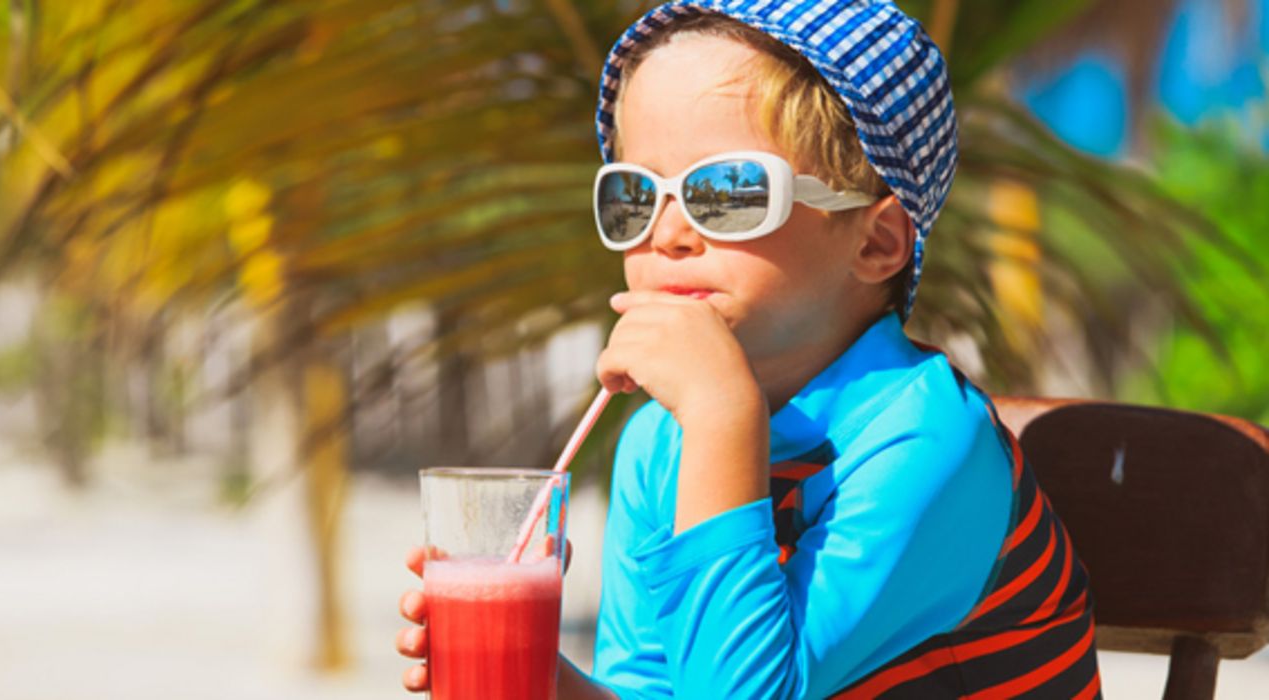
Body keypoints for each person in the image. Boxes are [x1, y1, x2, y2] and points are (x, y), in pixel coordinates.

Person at [397, 1, 1103, 697]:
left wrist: (719, 413)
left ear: (875, 242)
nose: (666, 233)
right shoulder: (659, 444)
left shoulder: (925, 441)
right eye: (632, 196)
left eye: (728, 191)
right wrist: (544, 682)